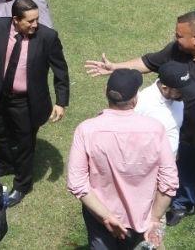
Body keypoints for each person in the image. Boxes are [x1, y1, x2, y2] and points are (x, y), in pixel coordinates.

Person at [86, 12, 195, 250]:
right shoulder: (179, 50)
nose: (176, 39)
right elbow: (148, 62)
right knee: (183, 176)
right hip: (187, 134)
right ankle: (183, 205)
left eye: (180, 36)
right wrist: (116, 68)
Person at [67, 69, 177, 250]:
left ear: (106, 92)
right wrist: (155, 218)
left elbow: (77, 183)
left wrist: (107, 217)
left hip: (99, 217)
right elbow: (169, 181)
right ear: (135, 99)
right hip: (143, 217)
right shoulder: (155, 130)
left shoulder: (85, 130)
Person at [0, 0, 69, 207]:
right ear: (16, 20)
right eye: (30, 21)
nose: (35, 24)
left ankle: (22, 185)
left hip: (27, 102)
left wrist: (61, 102)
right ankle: (7, 163)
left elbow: (60, 71)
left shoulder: (47, 37)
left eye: (36, 19)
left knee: (25, 144)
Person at [134, 61, 188, 153]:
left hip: (171, 162)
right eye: (179, 91)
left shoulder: (177, 98)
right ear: (164, 88)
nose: (185, 94)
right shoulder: (143, 103)